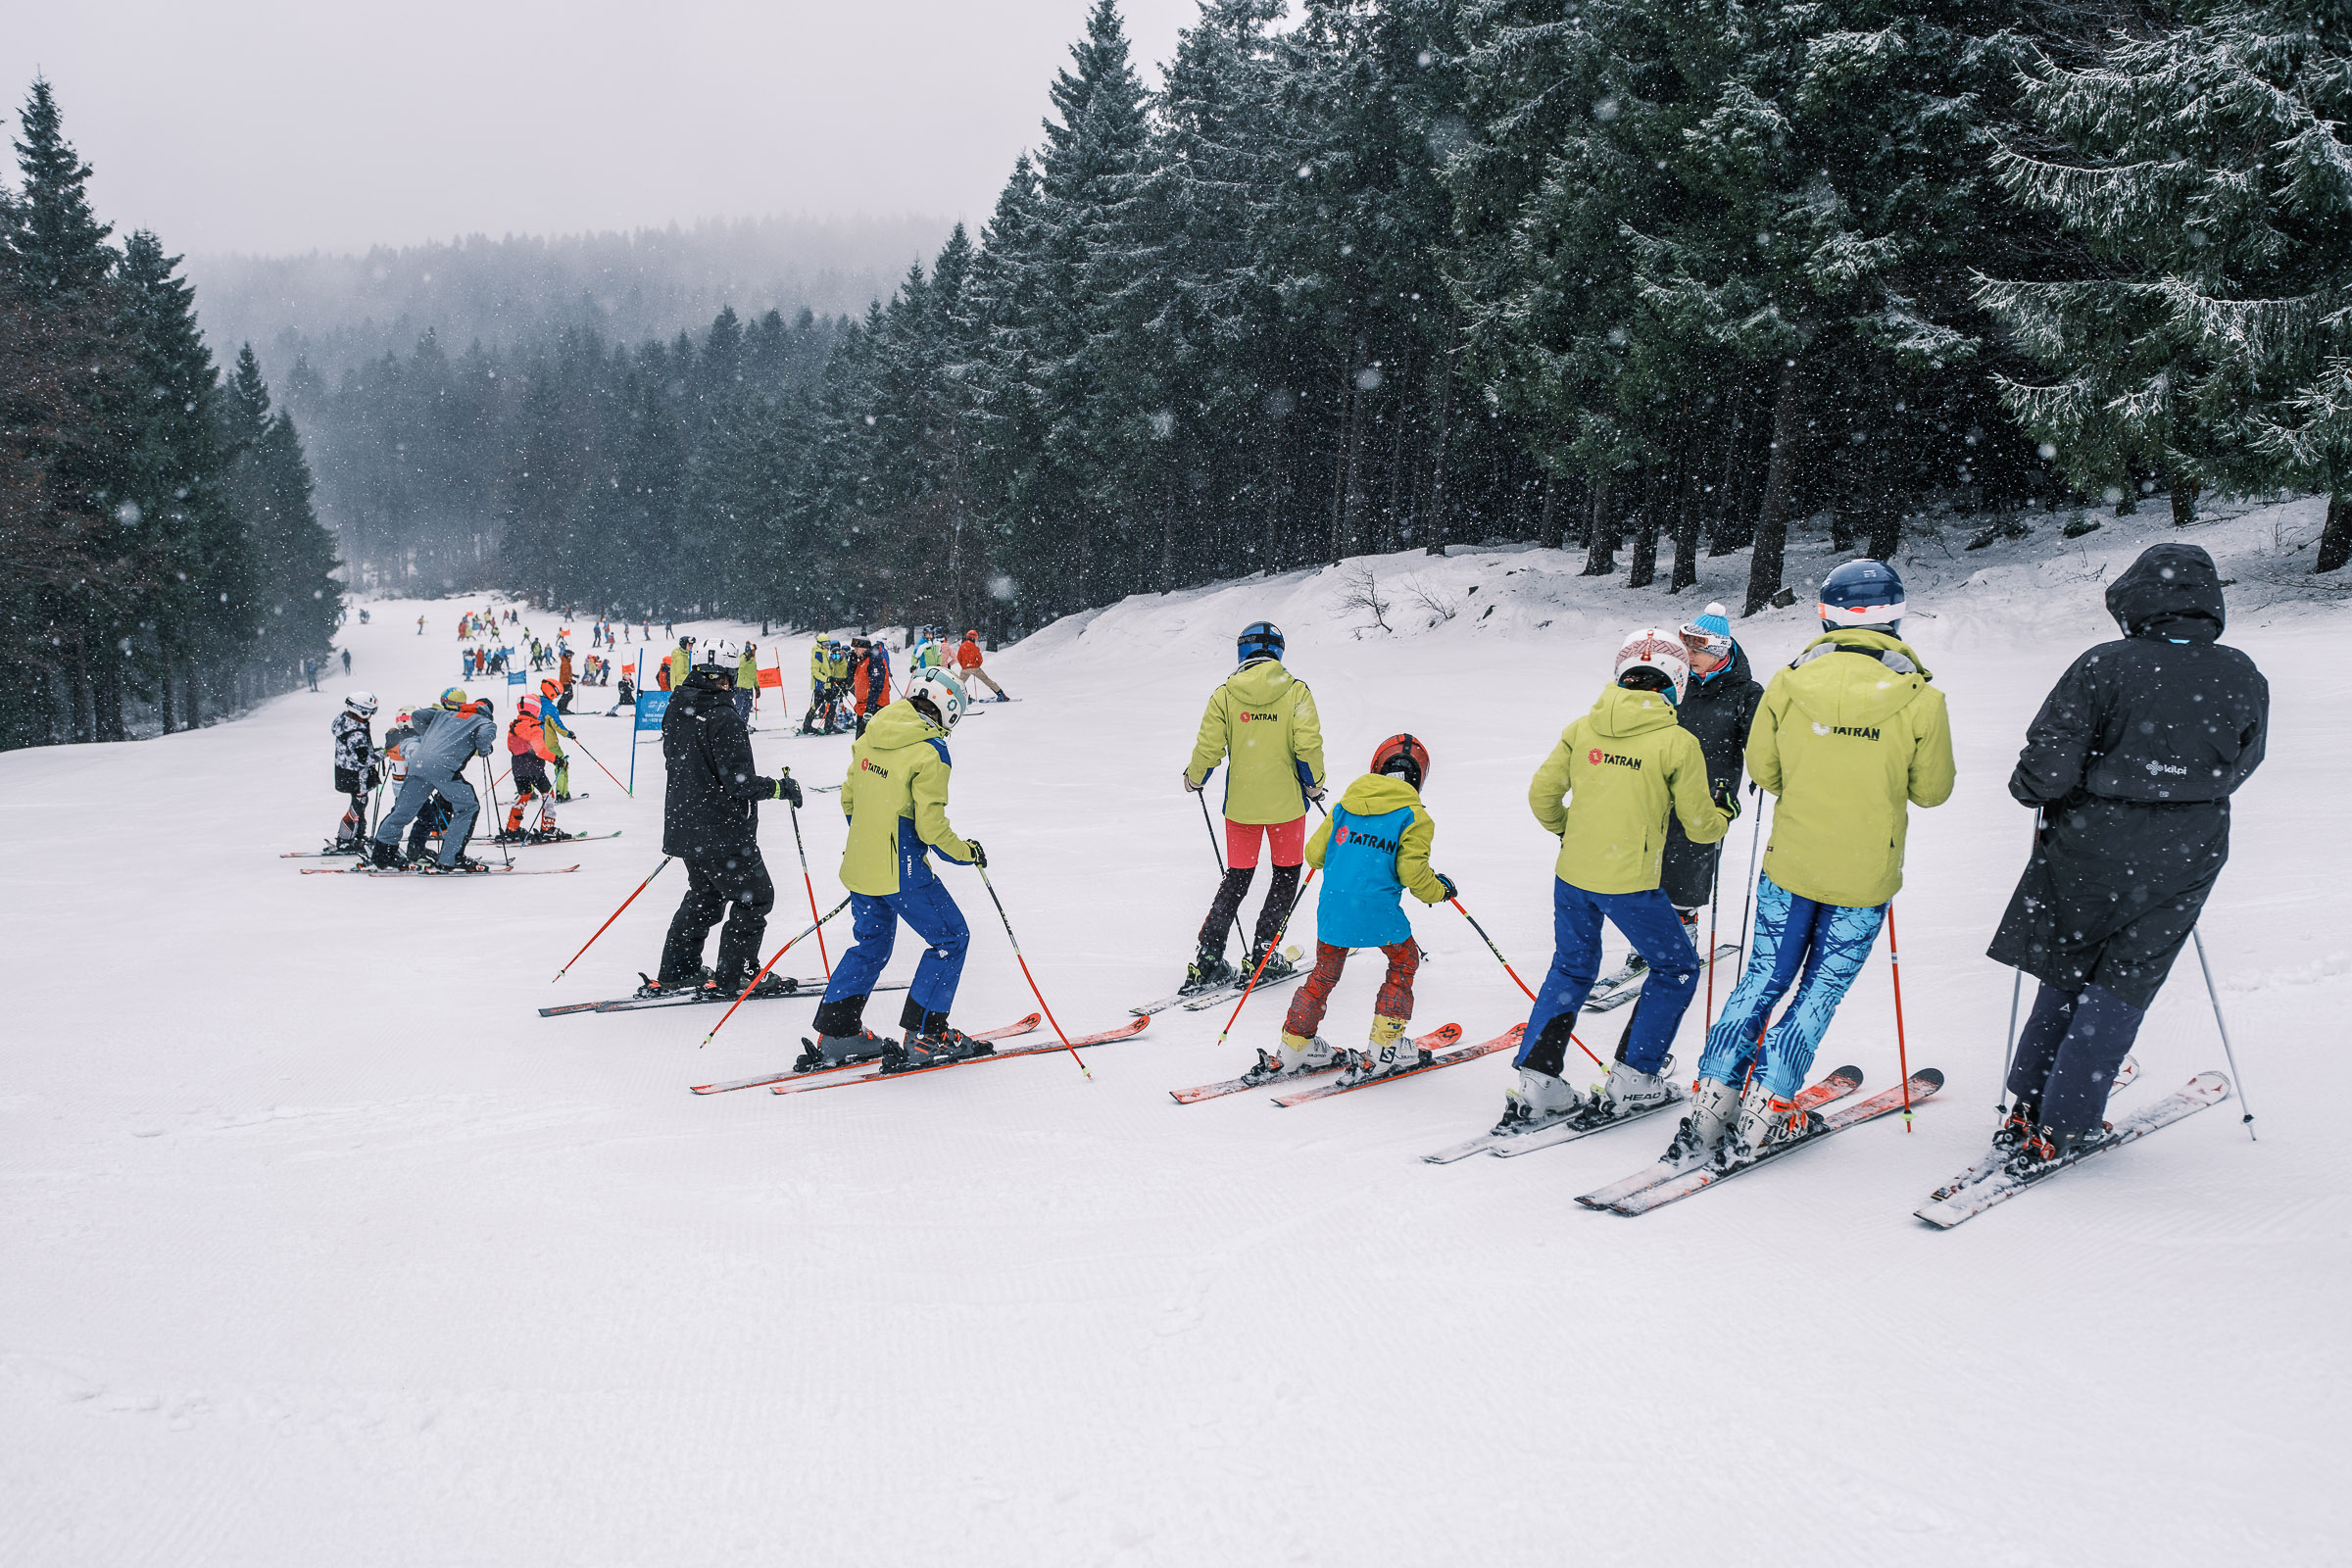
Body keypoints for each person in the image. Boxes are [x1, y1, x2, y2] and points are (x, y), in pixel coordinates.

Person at [1984, 543, 2267, 1169]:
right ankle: (2065, 1120)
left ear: (2137, 601)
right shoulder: (2240, 672)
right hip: (2185, 850)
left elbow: (2048, 763)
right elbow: (2244, 761)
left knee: (2069, 962)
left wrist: (2038, 789)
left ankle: (2034, 1103)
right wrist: (2179, 788)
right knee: (2126, 978)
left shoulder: (2104, 665)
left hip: (2091, 843)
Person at [1671, 559, 1956, 1169]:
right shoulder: (1921, 698)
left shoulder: (1787, 684)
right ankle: (1767, 1108)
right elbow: (1932, 791)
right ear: (1895, 617)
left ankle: (1713, 1099)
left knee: (1761, 980)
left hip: (1791, 865)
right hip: (1862, 876)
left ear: (1826, 616)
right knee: (1819, 991)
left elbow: (1766, 771)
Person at [1504, 630, 1735, 1131]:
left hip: (1573, 876)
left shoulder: (1582, 728)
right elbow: (1701, 826)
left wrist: (1570, 832)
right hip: (1630, 882)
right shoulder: (1676, 741)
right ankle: (1634, 1078)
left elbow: (1542, 796)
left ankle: (1538, 1083)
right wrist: (1724, 812)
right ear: (1676, 682)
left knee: (1571, 969)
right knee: (1675, 968)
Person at [799, 668, 984, 1073]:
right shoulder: (930, 750)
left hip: (861, 863)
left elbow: (849, 800)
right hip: (903, 871)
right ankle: (926, 1035)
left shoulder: (872, 732)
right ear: (948, 709)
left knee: (871, 945)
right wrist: (966, 853)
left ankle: (838, 1032)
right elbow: (931, 828)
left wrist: (873, 841)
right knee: (951, 938)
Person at [1268, 735, 1455, 1086]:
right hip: (1379, 910)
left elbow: (1314, 855)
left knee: (1324, 974)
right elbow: (1412, 874)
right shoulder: (1414, 816)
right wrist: (1440, 890)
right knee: (1404, 961)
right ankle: (1385, 1050)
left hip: (1334, 909)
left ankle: (1294, 1047)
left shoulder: (1344, 807)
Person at [1617, 604, 1764, 977]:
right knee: (1647, 867)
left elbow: (1760, 742)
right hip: (1658, 787)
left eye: (1699, 649)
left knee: (1688, 871)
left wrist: (1764, 769)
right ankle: (1643, 944)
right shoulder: (1675, 681)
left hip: (1708, 795)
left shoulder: (1745, 693)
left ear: (1720, 651)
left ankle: (1682, 941)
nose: (1690, 655)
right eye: (1687, 646)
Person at [648, 650, 803, 998]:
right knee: (756, 897)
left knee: (706, 894)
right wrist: (779, 788)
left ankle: (679, 969)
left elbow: (681, 760)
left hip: (686, 822)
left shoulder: (679, 707)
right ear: (726, 677)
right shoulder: (723, 716)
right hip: (720, 828)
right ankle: (737, 973)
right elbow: (739, 782)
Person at [1181, 621, 1326, 991]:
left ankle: (1209, 957)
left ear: (1242, 651)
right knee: (1285, 876)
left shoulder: (1225, 695)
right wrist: (1314, 785)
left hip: (1241, 807)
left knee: (1237, 877)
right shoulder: (1296, 691)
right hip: (1287, 807)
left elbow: (1208, 748)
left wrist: (1195, 778)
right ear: (1278, 651)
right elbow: (1307, 746)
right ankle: (1263, 952)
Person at [370, 688, 497, 872]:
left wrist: (429, 735)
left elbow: (417, 715)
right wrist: (484, 749)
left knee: (404, 810)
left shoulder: (445, 715)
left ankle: (382, 854)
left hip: (418, 763)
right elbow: (484, 738)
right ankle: (450, 858)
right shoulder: (484, 721)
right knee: (468, 807)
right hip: (443, 768)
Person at [500, 695, 566, 842]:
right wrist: (557, 760)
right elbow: (540, 751)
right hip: (534, 768)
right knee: (548, 794)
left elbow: (510, 746)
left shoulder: (513, 726)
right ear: (535, 709)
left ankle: (512, 829)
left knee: (524, 795)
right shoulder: (534, 728)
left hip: (518, 767)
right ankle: (547, 828)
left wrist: (521, 756)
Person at [329, 691, 379, 852]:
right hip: (356, 776)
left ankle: (357, 836)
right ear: (361, 711)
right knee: (357, 805)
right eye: (370, 712)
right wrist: (386, 752)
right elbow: (364, 760)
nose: (371, 716)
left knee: (360, 803)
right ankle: (345, 839)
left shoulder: (346, 722)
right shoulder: (356, 733)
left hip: (347, 772)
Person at [536, 678, 576, 798]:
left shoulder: (533, 704)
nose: (557, 696)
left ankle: (527, 792)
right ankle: (562, 793)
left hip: (533, 743)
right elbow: (557, 725)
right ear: (551, 692)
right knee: (561, 764)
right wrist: (568, 734)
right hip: (548, 744)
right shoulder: (549, 707)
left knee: (531, 766)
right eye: (557, 694)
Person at [956, 628, 1007, 701]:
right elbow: (980, 659)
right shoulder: (975, 648)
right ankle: (1001, 694)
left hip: (965, 669)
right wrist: (976, 665)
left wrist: (964, 665)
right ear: (974, 638)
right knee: (987, 680)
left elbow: (959, 657)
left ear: (967, 637)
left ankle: (961, 697)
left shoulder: (962, 647)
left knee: (960, 683)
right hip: (975, 668)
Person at [856, 637, 893, 736]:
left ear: (864, 648)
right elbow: (854, 681)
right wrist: (851, 663)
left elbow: (877, 686)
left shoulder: (874, 660)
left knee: (869, 739)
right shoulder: (862, 661)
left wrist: (870, 708)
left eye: (857, 648)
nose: (855, 651)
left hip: (875, 706)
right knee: (860, 740)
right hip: (863, 707)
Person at [735, 641, 760, 727]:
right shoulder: (741, 659)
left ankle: (744, 725)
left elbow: (754, 675)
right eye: (753, 651)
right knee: (739, 707)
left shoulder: (753, 662)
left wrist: (757, 687)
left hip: (749, 687)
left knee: (747, 707)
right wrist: (747, 658)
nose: (754, 653)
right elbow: (740, 664)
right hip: (741, 687)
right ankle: (735, 725)